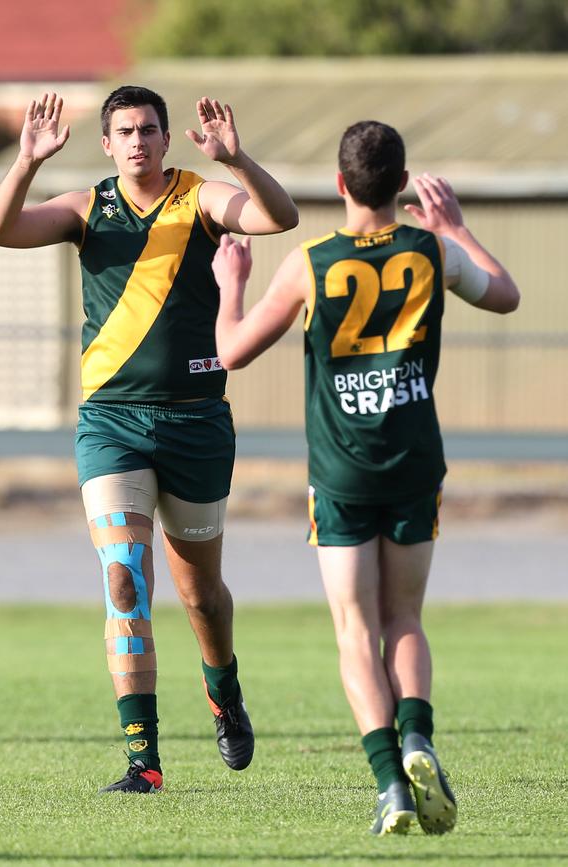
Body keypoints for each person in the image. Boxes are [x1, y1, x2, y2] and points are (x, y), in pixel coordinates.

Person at [0, 87, 298, 793]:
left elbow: (281, 217)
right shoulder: (85, 208)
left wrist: (238, 157)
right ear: (107, 142)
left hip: (196, 423)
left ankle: (224, 689)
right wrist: (27, 162)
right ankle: (143, 760)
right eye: (125, 131)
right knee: (123, 576)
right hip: (112, 422)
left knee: (201, 594)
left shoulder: (201, 197)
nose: (138, 142)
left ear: (165, 138)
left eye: (149, 130)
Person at [212, 120, 519, 835]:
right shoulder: (430, 249)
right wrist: (459, 229)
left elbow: (230, 351)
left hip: (342, 467)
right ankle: (418, 737)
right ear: (401, 183)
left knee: (354, 628)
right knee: (404, 618)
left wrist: (231, 283)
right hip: (414, 460)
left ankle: (389, 783)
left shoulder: (310, 261)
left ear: (342, 184)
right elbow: (504, 295)